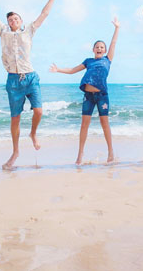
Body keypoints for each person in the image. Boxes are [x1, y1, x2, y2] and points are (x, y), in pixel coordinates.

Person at [0, 0, 61, 169]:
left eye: (16, 18)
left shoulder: (29, 31)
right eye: (10, 19)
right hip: (13, 80)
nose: (13, 20)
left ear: (21, 21)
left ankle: (33, 133)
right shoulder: (3, 32)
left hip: (31, 77)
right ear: (7, 23)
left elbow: (44, 14)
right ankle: (15, 152)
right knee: (15, 118)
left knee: (38, 111)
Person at [50, 18, 120, 165]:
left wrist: (117, 28)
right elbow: (73, 70)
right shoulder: (88, 61)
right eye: (97, 47)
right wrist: (58, 70)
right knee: (84, 125)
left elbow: (113, 43)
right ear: (93, 49)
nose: (99, 49)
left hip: (102, 96)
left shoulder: (108, 59)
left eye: (102, 47)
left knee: (104, 123)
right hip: (88, 96)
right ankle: (80, 155)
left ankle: (111, 152)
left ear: (105, 50)